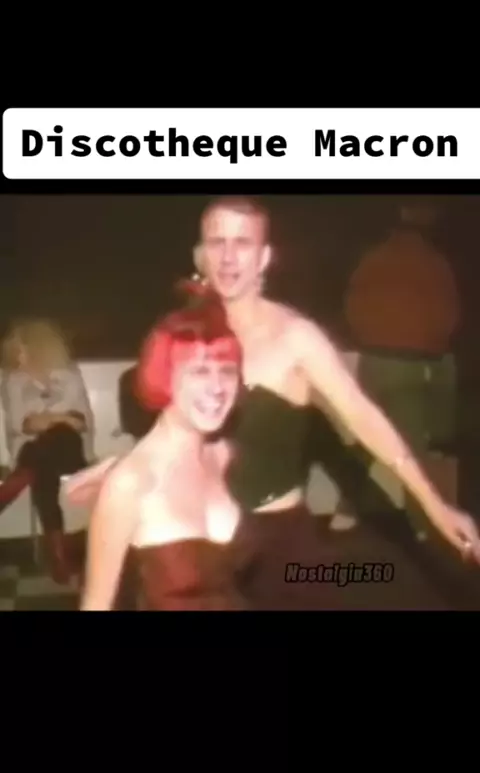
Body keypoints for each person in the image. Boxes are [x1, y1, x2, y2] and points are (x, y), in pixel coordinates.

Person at [68, 197, 480, 609]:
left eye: (242, 243)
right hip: (212, 548)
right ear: (200, 254)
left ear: (264, 258)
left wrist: (434, 505)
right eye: (217, 242)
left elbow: (364, 417)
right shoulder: (191, 333)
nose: (228, 256)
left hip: (279, 549)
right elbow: (173, 427)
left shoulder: (295, 336)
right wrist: (126, 471)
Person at [79, 284, 248, 611]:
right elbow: (95, 605)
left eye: (227, 371)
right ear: (165, 376)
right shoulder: (131, 482)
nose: (217, 387)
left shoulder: (227, 457)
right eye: (199, 371)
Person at [340, 200, 461, 536]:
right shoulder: (436, 264)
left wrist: (367, 335)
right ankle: (424, 523)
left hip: (375, 359)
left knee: (367, 440)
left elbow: (352, 302)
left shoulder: (374, 258)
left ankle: (349, 511)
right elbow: (449, 317)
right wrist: (432, 346)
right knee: (412, 449)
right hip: (412, 364)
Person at [0, 318, 94, 583]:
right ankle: (60, 561)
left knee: (57, 438)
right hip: (32, 450)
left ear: (40, 347)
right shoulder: (12, 380)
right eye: (15, 350)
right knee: (43, 468)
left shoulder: (69, 374)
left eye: (23, 348)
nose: (18, 355)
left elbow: (80, 422)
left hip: (71, 451)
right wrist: (61, 418)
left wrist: (48, 421)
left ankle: (15, 483)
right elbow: (23, 424)